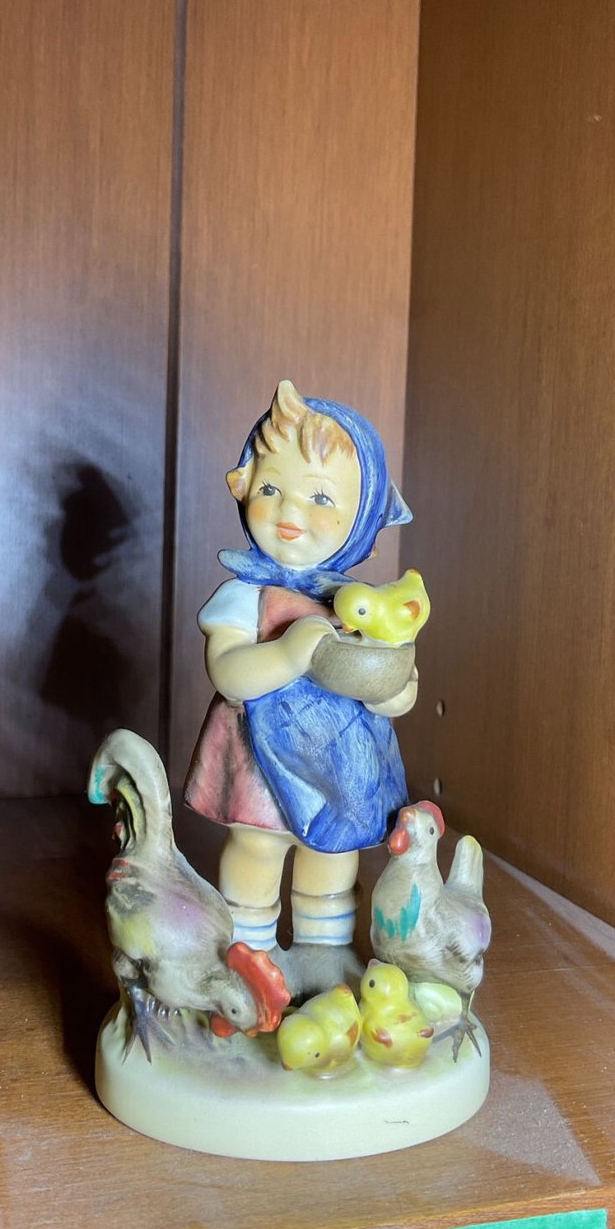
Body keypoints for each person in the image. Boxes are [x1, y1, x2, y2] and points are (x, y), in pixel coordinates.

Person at [183, 380, 418, 962]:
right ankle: (251, 951)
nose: (290, 512)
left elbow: (397, 687)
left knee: (332, 856)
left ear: (362, 517)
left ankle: (322, 953)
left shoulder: (362, 604)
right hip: (258, 760)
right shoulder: (247, 595)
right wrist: (289, 655)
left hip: (344, 765)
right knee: (257, 848)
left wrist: (391, 687)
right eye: (270, 488)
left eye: (320, 497)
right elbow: (227, 672)